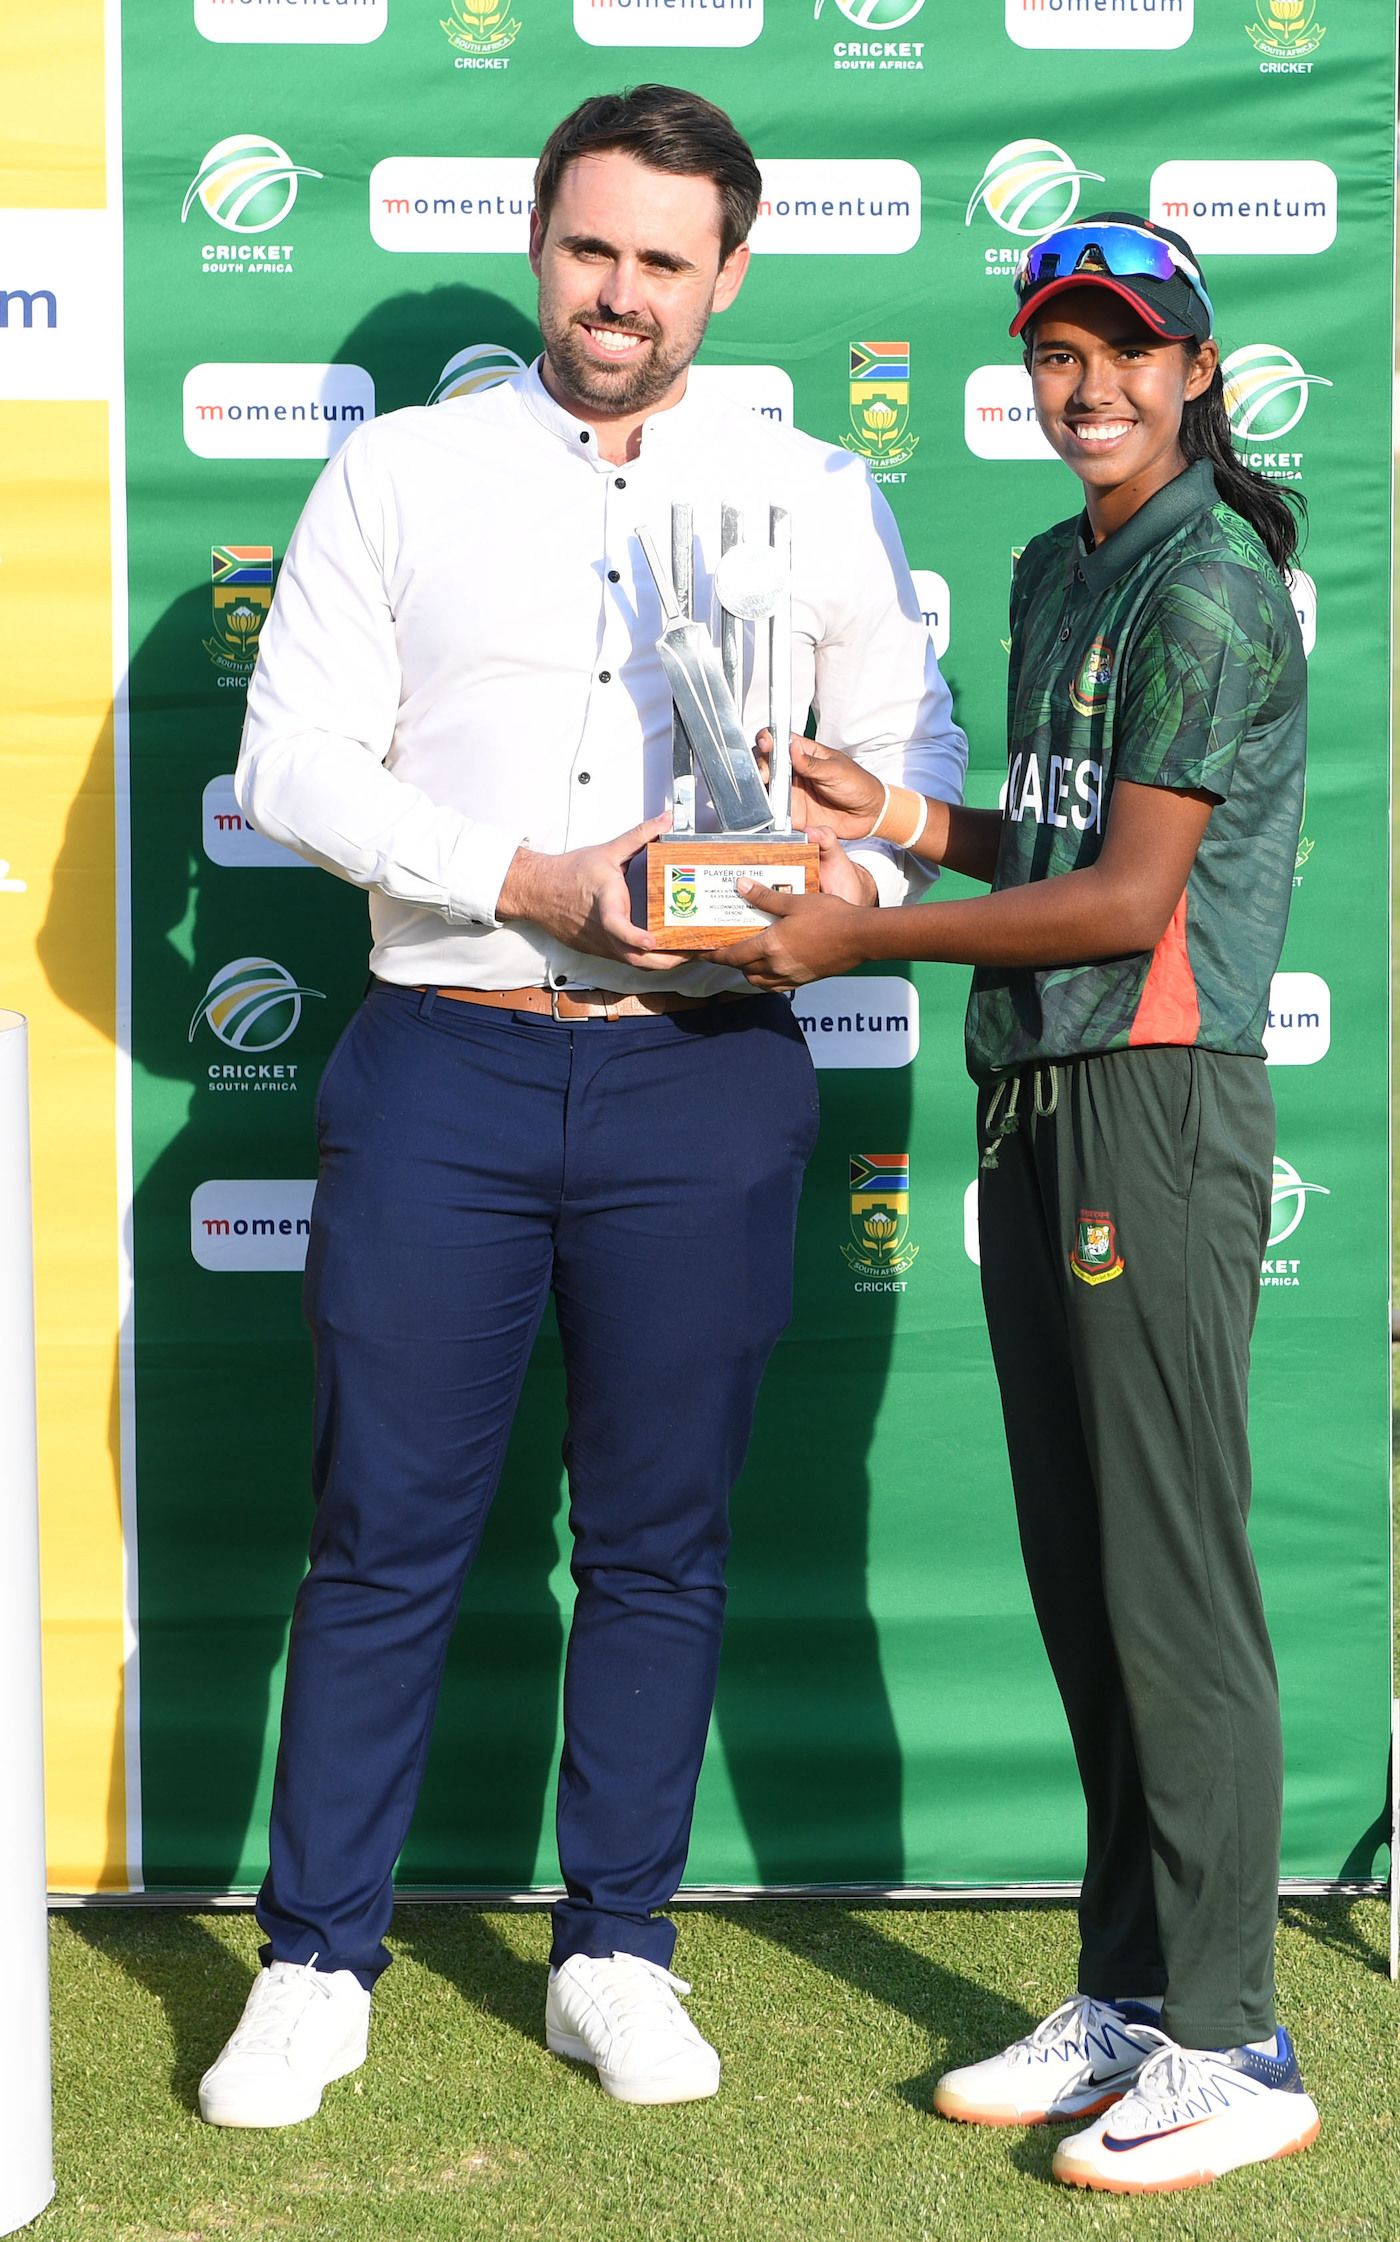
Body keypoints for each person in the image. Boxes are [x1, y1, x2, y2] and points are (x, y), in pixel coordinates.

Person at [198, 83, 966, 2127]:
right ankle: (315, 1955)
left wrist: (836, 903)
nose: (614, 293)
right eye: (586, 246)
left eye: (659, 258)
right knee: (383, 1535)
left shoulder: (806, 490)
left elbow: (906, 762)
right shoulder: (405, 474)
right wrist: (532, 881)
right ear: (543, 239)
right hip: (445, 1046)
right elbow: (292, 765)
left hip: (702, 1073)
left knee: (657, 1540)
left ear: (728, 269)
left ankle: (615, 1940)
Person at [718, 215, 1318, 2194]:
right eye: (1059, 352)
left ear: (1196, 375)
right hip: (1039, 1086)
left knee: (1169, 1576)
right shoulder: (1059, 564)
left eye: (1126, 353)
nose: (1089, 386)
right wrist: (892, 818)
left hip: (1151, 1092)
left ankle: (1234, 2032)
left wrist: (870, 923)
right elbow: (1052, 833)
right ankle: (1134, 1987)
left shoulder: (1213, 575)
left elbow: (1130, 901)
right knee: (1083, 1575)